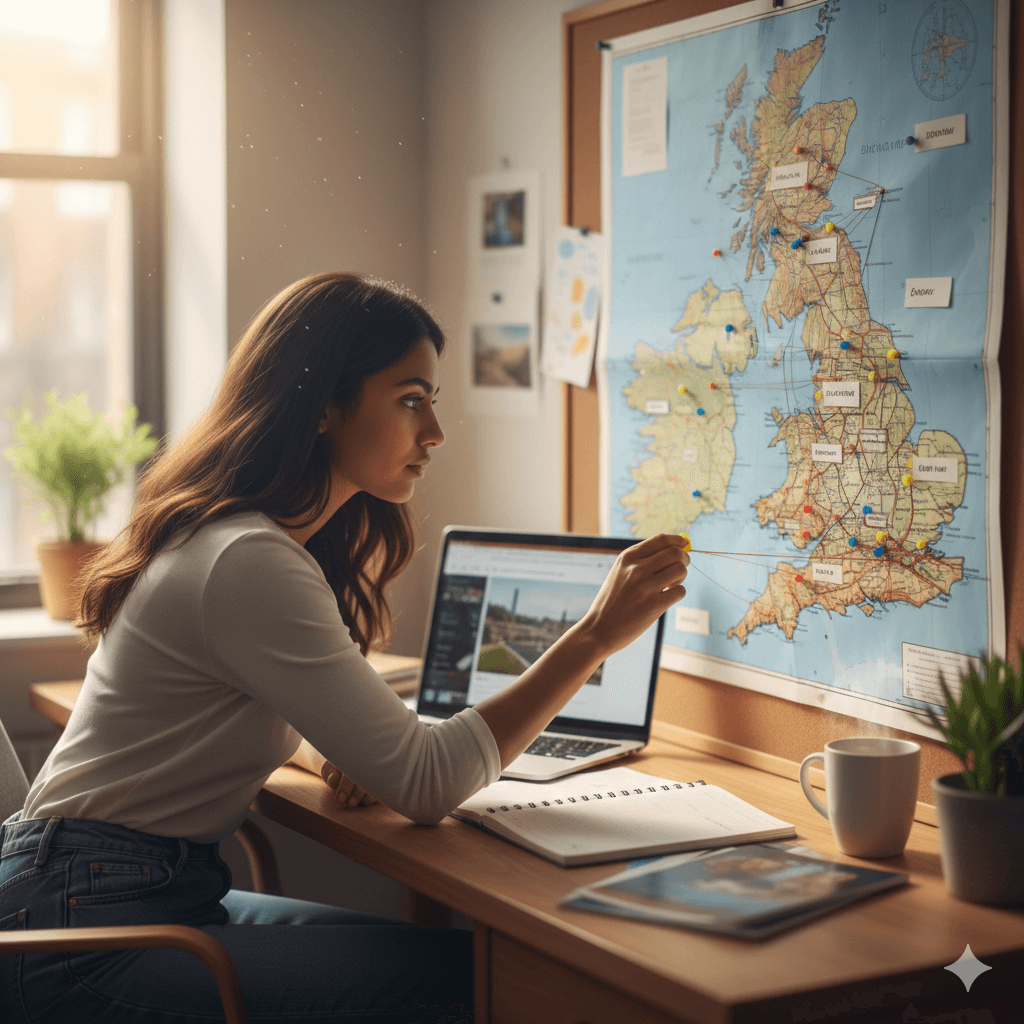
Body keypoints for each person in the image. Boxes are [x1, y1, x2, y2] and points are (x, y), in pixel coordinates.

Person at [0, 272, 689, 1023]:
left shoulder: (238, 541)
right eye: (411, 398)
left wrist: (326, 749)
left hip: (93, 891)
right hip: (88, 933)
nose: (435, 432)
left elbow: (250, 705)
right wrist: (592, 636)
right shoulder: (248, 560)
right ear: (324, 404)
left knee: (469, 963)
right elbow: (428, 783)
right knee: (484, 980)